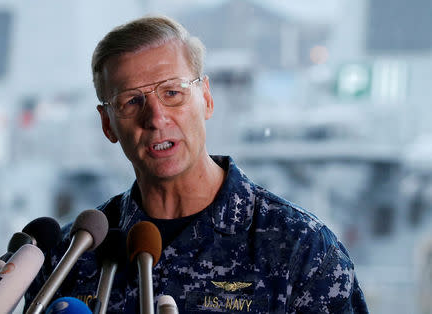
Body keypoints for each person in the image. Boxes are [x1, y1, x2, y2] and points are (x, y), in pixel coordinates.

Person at [24, 15, 368, 313]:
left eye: (172, 93)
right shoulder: (68, 259)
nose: (156, 118)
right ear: (108, 124)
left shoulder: (301, 250)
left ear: (205, 98)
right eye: (132, 101)